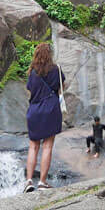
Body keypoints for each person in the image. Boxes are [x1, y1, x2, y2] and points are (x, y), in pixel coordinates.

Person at [24, 42, 64, 192]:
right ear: (50, 55)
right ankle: (42, 182)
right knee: (47, 146)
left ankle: (29, 181)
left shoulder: (32, 72)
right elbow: (62, 87)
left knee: (33, 146)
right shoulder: (56, 70)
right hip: (51, 109)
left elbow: (30, 91)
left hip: (34, 110)